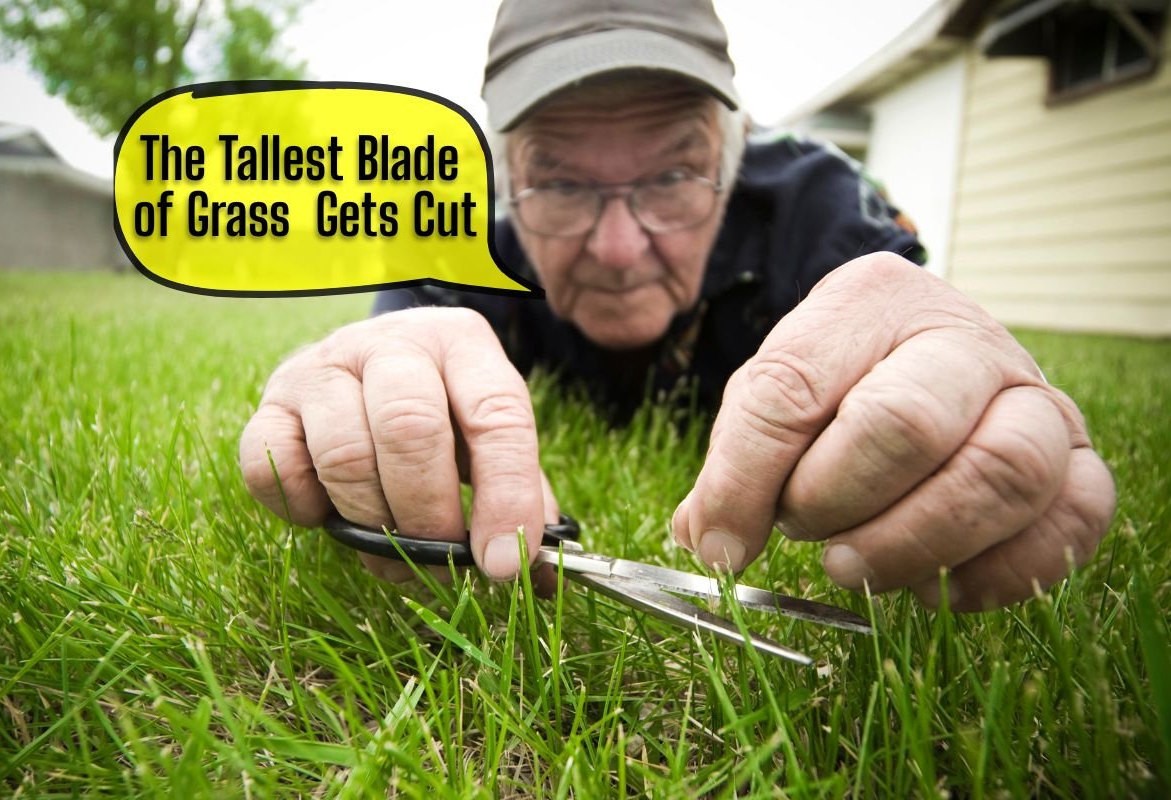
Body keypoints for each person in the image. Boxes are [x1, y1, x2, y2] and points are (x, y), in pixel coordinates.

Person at [240, 0, 1115, 611]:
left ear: (735, 156)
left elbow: (912, 324)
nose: (619, 248)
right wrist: (363, 384)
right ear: (506, 176)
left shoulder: (817, 204)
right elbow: (383, 352)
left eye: (672, 172)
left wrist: (963, 380)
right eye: (559, 180)